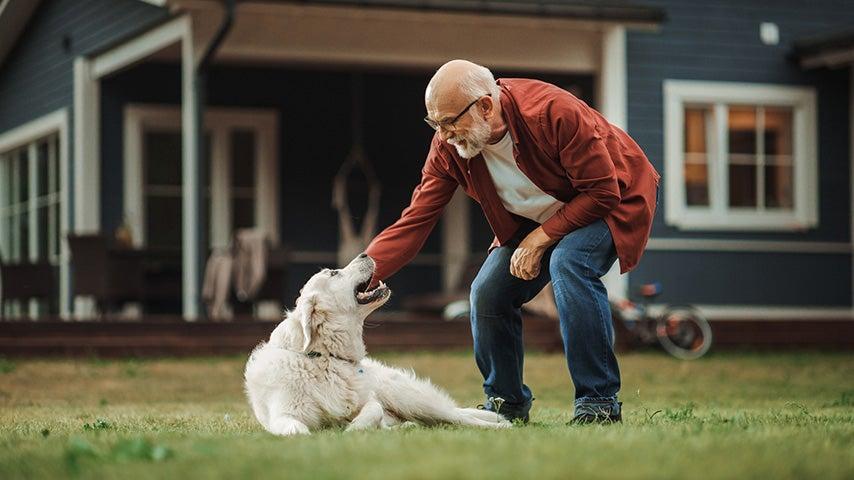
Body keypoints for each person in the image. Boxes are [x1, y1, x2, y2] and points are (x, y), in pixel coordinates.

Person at [365, 59, 660, 424]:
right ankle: (506, 405)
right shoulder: (448, 147)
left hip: (614, 198)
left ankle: (598, 403)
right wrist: (362, 273)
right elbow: (416, 219)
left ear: (486, 106)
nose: (443, 135)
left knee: (569, 262)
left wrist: (541, 238)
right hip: (537, 219)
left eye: (449, 121)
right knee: (487, 291)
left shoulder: (553, 111)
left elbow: (603, 191)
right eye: (434, 124)